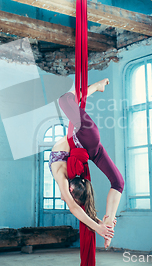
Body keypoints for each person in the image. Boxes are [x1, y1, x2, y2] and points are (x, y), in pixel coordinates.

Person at [50, 78, 124, 249]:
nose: (64, 198)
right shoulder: (61, 177)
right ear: (69, 189)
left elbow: (83, 211)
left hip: (92, 149)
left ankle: (110, 222)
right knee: (65, 100)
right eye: (67, 197)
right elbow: (75, 209)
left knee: (118, 182)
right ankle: (96, 87)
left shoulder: (76, 180)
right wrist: (98, 228)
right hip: (86, 137)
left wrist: (102, 225)